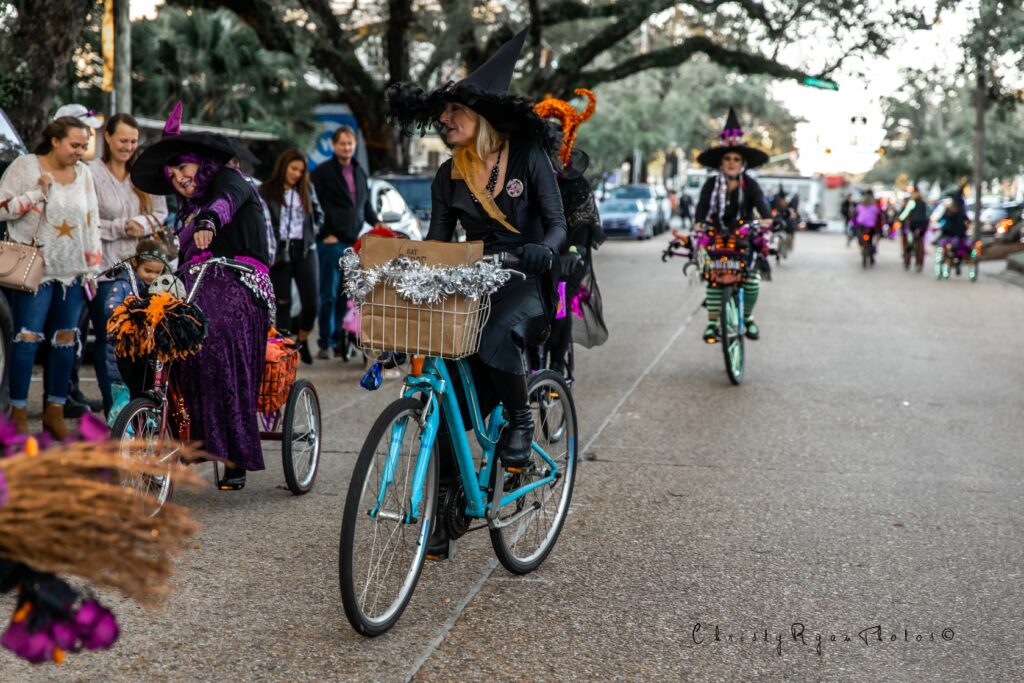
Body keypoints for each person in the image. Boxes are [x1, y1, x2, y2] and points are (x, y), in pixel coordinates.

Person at [387, 28, 566, 467]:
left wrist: (544, 248)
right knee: (443, 391)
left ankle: (521, 420)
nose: (444, 118)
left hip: (526, 282)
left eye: (454, 110)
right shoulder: (447, 176)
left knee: (493, 333)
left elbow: (558, 225)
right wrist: (406, 271)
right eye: (443, 111)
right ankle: (447, 503)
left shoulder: (528, 157)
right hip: (474, 282)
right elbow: (438, 244)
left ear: (480, 116)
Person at [131, 102, 272, 491]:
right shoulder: (187, 212)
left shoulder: (230, 179)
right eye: (172, 174)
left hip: (242, 277)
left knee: (209, 328)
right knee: (141, 324)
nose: (179, 177)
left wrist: (209, 220)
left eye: (183, 167)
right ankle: (155, 416)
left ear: (202, 163)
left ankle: (233, 453)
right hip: (193, 280)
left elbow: (226, 201)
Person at [0, 117, 101, 438]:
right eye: (75, 145)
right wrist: (35, 194)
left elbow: (92, 222)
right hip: (35, 272)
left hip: (73, 274)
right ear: (55, 140)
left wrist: (93, 268)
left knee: (65, 342)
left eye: (84, 146)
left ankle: (54, 411)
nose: (79, 152)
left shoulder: (84, 173)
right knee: (26, 340)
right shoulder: (25, 166)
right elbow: (2, 208)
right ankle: (17, 411)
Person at [88, 113, 168, 414]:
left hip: (141, 271)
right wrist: (121, 227)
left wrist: (142, 224)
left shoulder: (143, 173)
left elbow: (160, 213)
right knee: (109, 338)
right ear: (107, 137)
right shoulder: (92, 173)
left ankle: (138, 404)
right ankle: (113, 406)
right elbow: (87, 220)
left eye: (133, 141)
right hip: (105, 269)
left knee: (141, 339)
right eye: (123, 140)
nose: (128, 146)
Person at [533, 88, 607, 375]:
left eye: (554, 147)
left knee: (559, 307)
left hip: (568, 256)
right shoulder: (525, 174)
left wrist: (574, 251)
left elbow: (585, 224)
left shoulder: (574, 182)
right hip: (535, 253)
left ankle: (556, 370)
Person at [692, 108, 772, 344]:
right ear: (721, 162)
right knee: (714, 278)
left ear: (742, 163)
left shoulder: (750, 184)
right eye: (727, 159)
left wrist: (766, 220)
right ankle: (712, 324)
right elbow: (701, 209)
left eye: (736, 159)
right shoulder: (710, 184)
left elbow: (763, 208)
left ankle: (747, 317)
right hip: (717, 237)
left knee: (752, 280)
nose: (731, 163)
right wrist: (698, 225)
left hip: (744, 236)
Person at [310, 126, 381, 360]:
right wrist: (323, 234)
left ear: (354, 145)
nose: (346, 147)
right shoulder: (321, 173)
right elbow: (312, 206)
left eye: (350, 143)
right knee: (328, 295)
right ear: (334, 146)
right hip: (331, 243)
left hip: (353, 244)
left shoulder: (360, 172)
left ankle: (341, 341)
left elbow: (365, 206)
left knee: (346, 295)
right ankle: (325, 342)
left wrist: (377, 223)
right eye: (342, 143)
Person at [260, 150, 324, 364]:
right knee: (283, 304)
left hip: (305, 249)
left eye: (301, 171)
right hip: (279, 251)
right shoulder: (266, 190)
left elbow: (318, 214)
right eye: (293, 169)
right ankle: (285, 353)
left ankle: (303, 339)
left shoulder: (306, 188)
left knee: (312, 303)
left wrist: (312, 233)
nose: (297, 174)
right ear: (284, 167)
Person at [105, 239, 170, 423]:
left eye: (157, 272)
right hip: (122, 359)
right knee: (123, 405)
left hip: (145, 359)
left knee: (143, 399)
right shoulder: (124, 285)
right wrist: (132, 311)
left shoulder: (158, 289)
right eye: (148, 271)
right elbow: (110, 308)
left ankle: (140, 430)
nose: (152, 276)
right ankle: (123, 433)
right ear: (135, 263)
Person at [897, 186, 929, 271]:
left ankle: (907, 260)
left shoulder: (912, 202)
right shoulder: (924, 203)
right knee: (920, 242)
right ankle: (919, 262)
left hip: (913, 225)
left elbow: (905, 213)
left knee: (909, 241)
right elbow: (928, 214)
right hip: (923, 225)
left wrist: (900, 219)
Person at [851, 190, 883, 264]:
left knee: (860, 239)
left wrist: (854, 223)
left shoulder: (859, 207)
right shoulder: (874, 207)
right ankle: (871, 256)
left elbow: (854, 216)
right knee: (870, 241)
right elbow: (879, 216)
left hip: (861, 226)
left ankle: (863, 251)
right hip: (871, 227)